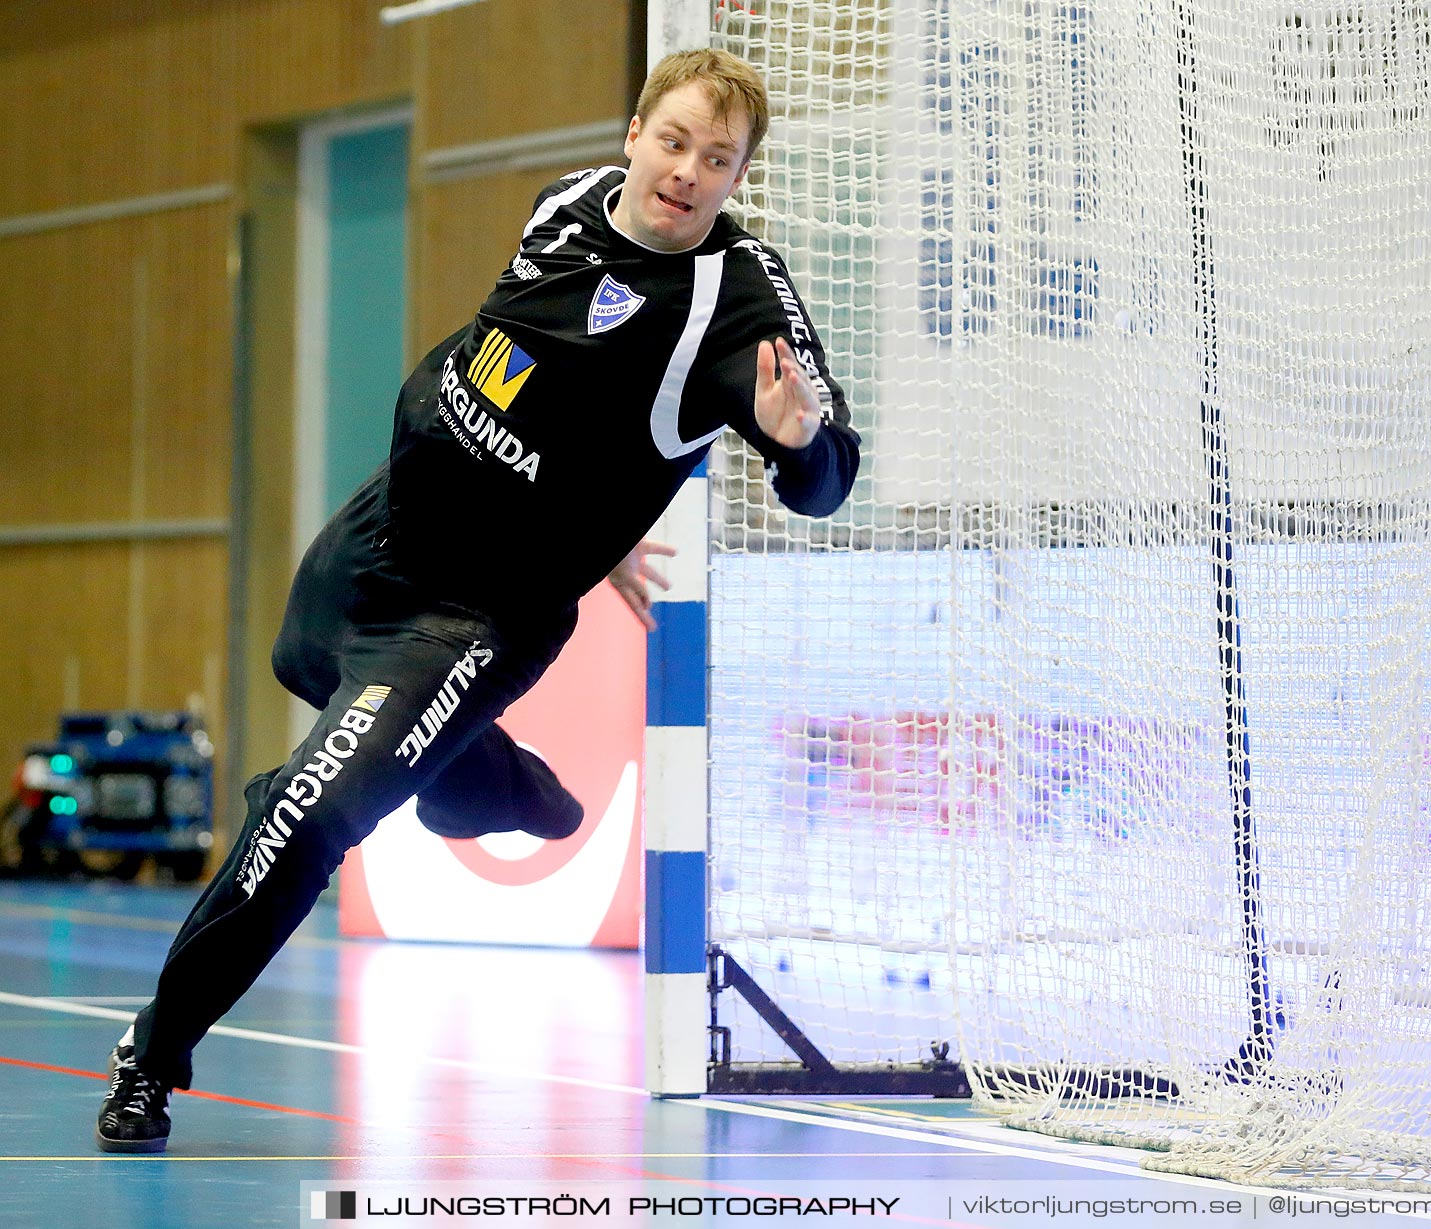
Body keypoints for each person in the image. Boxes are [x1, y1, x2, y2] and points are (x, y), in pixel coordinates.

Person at [96, 47, 859, 1153]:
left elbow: (830, 466)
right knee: (297, 664)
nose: (690, 171)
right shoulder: (565, 200)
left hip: (466, 616)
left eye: (720, 159)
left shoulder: (733, 307)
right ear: (635, 134)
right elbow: (559, 400)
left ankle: (150, 1059)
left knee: (302, 813)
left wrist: (800, 449)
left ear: (740, 176)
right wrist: (599, 538)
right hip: (380, 529)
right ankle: (485, 776)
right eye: (677, 140)